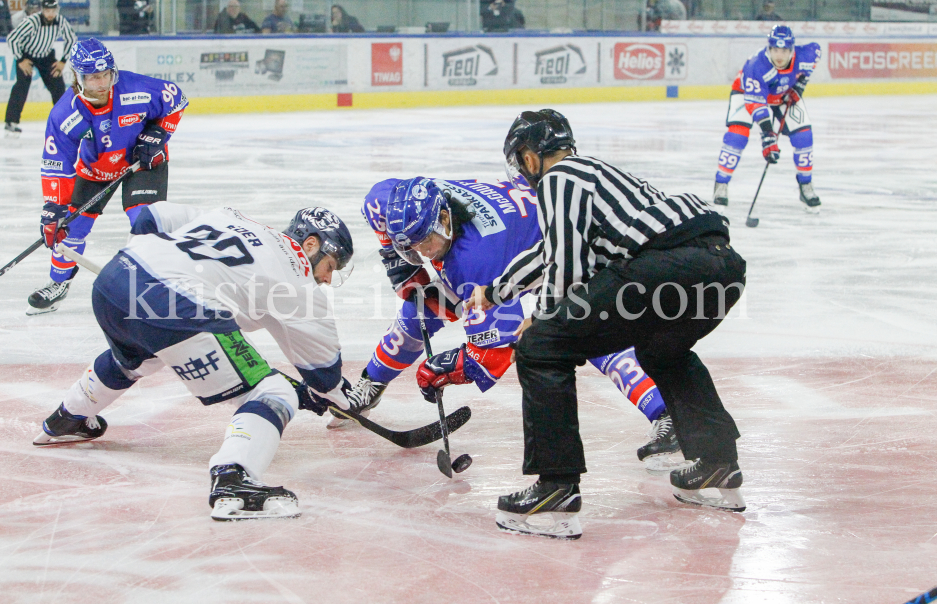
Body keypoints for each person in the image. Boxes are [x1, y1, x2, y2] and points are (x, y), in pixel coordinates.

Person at [465, 109, 747, 539]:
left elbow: (564, 266)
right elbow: (552, 253)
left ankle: (556, 487)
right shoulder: (597, 177)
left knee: (541, 347)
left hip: (665, 267)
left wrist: (541, 321)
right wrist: (494, 290)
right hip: (721, 268)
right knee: (662, 351)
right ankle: (717, 463)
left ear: (529, 156)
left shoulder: (560, 179)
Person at [328, 177, 685, 472]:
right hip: (525, 237)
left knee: (582, 333)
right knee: (420, 311)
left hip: (569, 253)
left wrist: (444, 370)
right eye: (413, 245)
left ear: (444, 219)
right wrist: (396, 260)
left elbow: (493, 356)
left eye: (426, 241)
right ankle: (372, 383)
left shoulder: (474, 260)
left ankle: (668, 412)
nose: (423, 252)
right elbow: (375, 203)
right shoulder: (394, 203)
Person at [32, 203, 356, 520]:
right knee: (273, 393)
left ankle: (67, 418)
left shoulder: (231, 216)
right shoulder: (298, 282)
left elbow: (150, 215)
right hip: (178, 304)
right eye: (330, 266)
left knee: (134, 359)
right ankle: (234, 482)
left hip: (116, 279)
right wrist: (336, 398)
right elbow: (324, 372)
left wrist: (152, 264)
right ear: (310, 244)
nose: (327, 279)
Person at [29, 38, 189, 315]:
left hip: (143, 163)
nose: (102, 83)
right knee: (72, 228)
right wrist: (54, 208)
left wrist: (161, 132)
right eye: (93, 77)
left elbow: (177, 100)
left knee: (144, 221)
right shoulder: (65, 113)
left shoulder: (137, 89)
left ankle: (152, 287)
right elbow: (58, 163)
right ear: (78, 79)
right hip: (96, 170)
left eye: (106, 75)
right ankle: (58, 282)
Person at [713, 26, 821, 212]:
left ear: (792, 50)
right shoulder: (756, 66)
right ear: (769, 49)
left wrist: (800, 85)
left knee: (804, 136)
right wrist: (768, 135)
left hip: (782, 94)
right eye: (775, 50)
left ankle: (805, 185)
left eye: (785, 50)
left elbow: (816, 52)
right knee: (737, 136)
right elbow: (757, 105)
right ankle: (721, 184)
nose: (780, 55)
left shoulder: (805, 56)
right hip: (746, 93)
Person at [4, 0, 75, 137]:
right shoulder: (32, 22)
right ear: (42, 10)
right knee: (22, 86)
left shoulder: (60, 21)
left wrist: (63, 61)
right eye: (47, 11)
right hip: (27, 56)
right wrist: (20, 59)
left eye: (53, 11)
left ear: (57, 10)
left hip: (46, 57)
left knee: (58, 87)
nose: (50, 14)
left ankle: (64, 122)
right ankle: (11, 122)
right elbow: (12, 38)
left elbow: (71, 39)